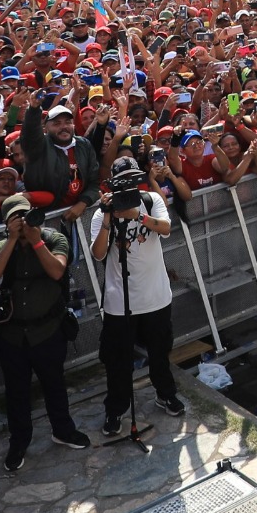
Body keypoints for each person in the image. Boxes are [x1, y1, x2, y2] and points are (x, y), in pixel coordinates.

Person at [0, 193, 91, 472]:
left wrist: (35, 241)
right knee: (16, 391)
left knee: (54, 383)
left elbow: (57, 271)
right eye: (15, 218)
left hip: (48, 330)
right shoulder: (1, 246)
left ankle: (63, 430)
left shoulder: (54, 238)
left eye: (26, 214)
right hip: (12, 335)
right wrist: (11, 240)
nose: (22, 222)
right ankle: (19, 441)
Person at [89, 157, 185, 436]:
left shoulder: (151, 199)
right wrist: (109, 217)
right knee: (118, 361)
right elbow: (98, 254)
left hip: (156, 295)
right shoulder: (101, 213)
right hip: (121, 301)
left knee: (160, 352)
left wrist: (136, 216)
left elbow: (166, 228)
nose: (130, 187)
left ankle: (165, 393)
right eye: (123, 183)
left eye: (134, 180)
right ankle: (116, 409)